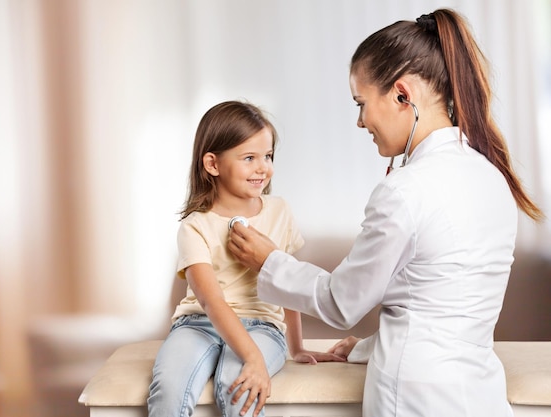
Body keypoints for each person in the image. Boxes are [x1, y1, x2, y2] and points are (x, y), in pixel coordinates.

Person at [228, 9, 545, 417]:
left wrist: (269, 261)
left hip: (412, 395)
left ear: (401, 94)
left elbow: (342, 303)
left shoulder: (404, 190)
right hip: (479, 394)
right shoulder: (491, 177)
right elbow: (441, 302)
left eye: (361, 103)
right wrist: (365, 346)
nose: (360, 122)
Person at [147, 100, 342, 417]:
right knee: (168, 390)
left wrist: (296, 346)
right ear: (212, 164)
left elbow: (287, 282)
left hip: (262, 327)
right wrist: (252, 356)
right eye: (249, 158)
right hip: (197, 324)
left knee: (237, 387)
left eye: (268, 156)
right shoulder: (194, 227)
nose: (263, 167)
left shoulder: (280, 211)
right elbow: (212, 302)